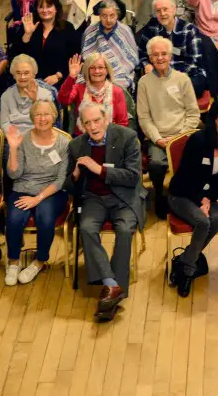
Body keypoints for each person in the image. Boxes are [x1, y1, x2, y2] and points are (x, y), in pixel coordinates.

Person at [67, 102, 145, 322]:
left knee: (124, 230)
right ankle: (113, 286)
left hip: (124, 197)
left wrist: (98, 169)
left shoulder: (127, 137)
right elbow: (70, 188)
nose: (93, 126)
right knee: (86, 228)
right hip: (93, 198)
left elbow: (132, 177)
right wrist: (74, 175)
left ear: (106, 119)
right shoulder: (76, 146)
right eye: (87, 122)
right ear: (82, 125)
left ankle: (110, 292)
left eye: (96, 120)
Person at [167, 98, 218, 297]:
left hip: (206, 196)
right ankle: (188, 272)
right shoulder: (199, 140)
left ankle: (183, 260)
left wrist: (209, 199)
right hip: (181, 194)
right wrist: (201, 200)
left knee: (217, 219)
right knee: (202, 221)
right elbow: (185, 177)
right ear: (214, 118)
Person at [3, 100, 71, 286]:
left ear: (54, 117)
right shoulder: (23, 139)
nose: (42, 118)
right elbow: (14, 174)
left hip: (51, 191)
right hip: (23, 187)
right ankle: (14, 263)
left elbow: (60, 180)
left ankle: (39, 261)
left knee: (45, 218)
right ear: (32, 118)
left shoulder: (64, 143)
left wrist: (38, 198)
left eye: (46, 114)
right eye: (38, 115)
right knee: (14, 219)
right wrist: (14, 148)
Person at [137, 36, 201, 216]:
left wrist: (179, 137)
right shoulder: (144, 83)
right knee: (156, 164)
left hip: (182, 135)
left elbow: (193, 113)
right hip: (157, 138)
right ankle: (159, 194)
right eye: (155, 55)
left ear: (170, 55)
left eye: (164, 54)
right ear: (150, 58)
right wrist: (157, 139)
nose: (160, 58)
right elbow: (143, 117)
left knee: (191, 162)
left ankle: (182, 195)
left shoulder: (183, 79)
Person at [136, 0, 208, 97]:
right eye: (158, 11)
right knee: (142, 88)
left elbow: (195, 62)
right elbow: (141, 53)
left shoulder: (189, 29)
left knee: (195, 85)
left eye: (165, 9)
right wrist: (147, 64)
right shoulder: (151, 28)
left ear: (174, 10)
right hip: (159, 75)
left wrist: (173, 78)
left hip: (187, 75)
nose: (162, 14)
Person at [16, 0, 79, 89]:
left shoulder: (67, 28)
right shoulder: (29, 26)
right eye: (41, 7)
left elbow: (75, 58)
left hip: (57, 81)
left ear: (56, 8)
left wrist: (58, 76)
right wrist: (27, 34)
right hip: (30, 80)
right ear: (36, 9)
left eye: (49, 6)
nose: (45, 10)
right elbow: (18, 56)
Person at [58, 53, 129, 134]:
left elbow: (123, 123)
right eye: (92, 68)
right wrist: (72, 76)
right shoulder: (79, 88)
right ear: (87, 70)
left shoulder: (116, 91)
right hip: (83, 139)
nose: (97, 71)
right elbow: (63, 100)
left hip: (110, 139)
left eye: (100, 67)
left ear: (107, 70)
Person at [81, 0, 138, 91]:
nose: (108, 20)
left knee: (117, 86)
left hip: (120, 73)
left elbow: (131, 58)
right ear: (99, 16)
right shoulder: (90, 31)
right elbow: (87, 57)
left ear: (117, 16)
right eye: (104, 16)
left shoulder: (125, 30)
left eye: (112, 16)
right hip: (95, 72)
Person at [0, 55, 55, 134]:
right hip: (14, 139)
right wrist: (17, 137)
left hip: (38, 137)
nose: (22, 77)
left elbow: (47, 123)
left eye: (26, 73)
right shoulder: (6, 96)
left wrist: (35, 101)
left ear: (34, 74)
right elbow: (4, 124)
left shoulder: (46, 94)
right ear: (14, 75)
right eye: (18, 73)